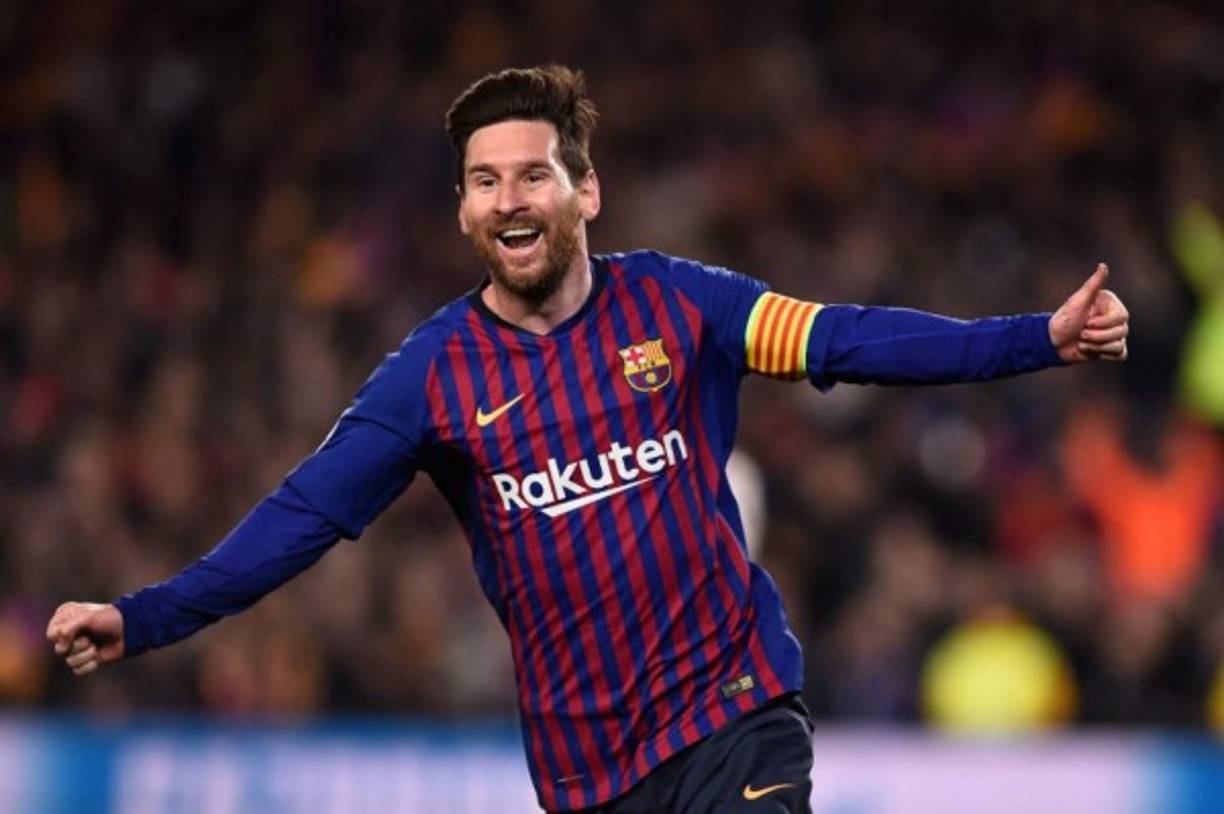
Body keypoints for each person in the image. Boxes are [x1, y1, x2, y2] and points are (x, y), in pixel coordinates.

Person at [47, 65, 1129, 813]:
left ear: (585, 191)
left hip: (734, 713)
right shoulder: (430, 378)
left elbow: (843, 338)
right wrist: (144, 618)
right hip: (585, 773)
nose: (507, 197)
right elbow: (303, 518)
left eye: (531, 173)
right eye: (484, 180)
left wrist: (1036, 337)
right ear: (464, 211)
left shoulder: (681, 304)